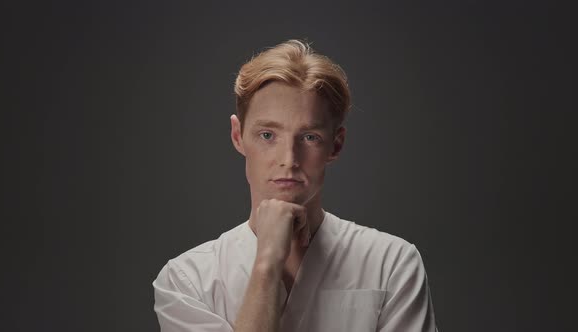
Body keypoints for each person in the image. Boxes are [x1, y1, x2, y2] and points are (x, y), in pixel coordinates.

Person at [152, 39, 438, 332]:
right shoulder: (186, 280)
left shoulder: (391, 263)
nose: (289, 159)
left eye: (309, 137)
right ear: (238, 136)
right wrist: (267, 263)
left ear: (335, 144)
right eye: (267, 135)